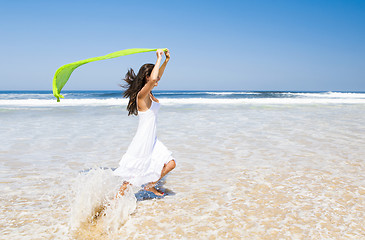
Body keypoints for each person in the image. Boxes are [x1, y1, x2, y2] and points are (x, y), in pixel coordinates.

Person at [113, 49, 176, 197]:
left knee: (171, 163)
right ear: (147, 77)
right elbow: (154, 79)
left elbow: (156, 77)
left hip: (152, 139)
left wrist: (166, 60)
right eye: (154, 76)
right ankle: (112, 205)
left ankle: (150, 185)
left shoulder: (150, 93)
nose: (158, 79)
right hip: (143, 141)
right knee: (130, 180)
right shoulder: (142, 95)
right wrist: (158, 58)